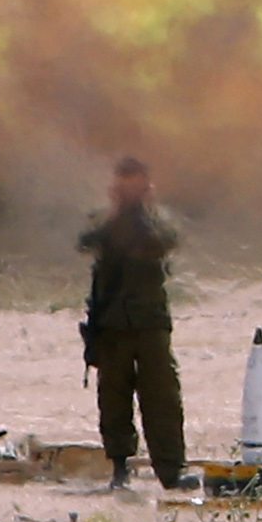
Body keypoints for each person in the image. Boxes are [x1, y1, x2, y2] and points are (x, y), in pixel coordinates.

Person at [79, 157, 185, 491]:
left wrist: (145, 211)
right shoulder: (104, 220)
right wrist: (114, 214)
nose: (129, 189)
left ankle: (169, 471)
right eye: (123, 182)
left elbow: (165, 241)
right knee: (113, 398)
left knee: (161, 397)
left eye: (135, 182)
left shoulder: (157, 221)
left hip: (150, 322)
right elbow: (86, 241)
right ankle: (120, 468)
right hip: (112, 323)